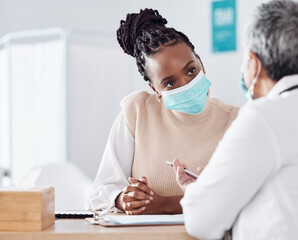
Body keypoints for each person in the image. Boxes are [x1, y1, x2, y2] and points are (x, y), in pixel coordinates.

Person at [173, 0, 298, 239]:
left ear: (254, 64)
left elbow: (201, 221)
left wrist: (199, 191)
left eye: (245, 61)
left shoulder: (264, 116)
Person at [89, 8, 239, 215]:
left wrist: (165, 204)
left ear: (201, 62)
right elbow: (101, 191)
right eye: (170, 83)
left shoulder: (236, 120)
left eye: (190, 70)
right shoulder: (136, 112)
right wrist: (125, 199)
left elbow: (242, 195)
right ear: (154, 89)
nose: (186, 84)